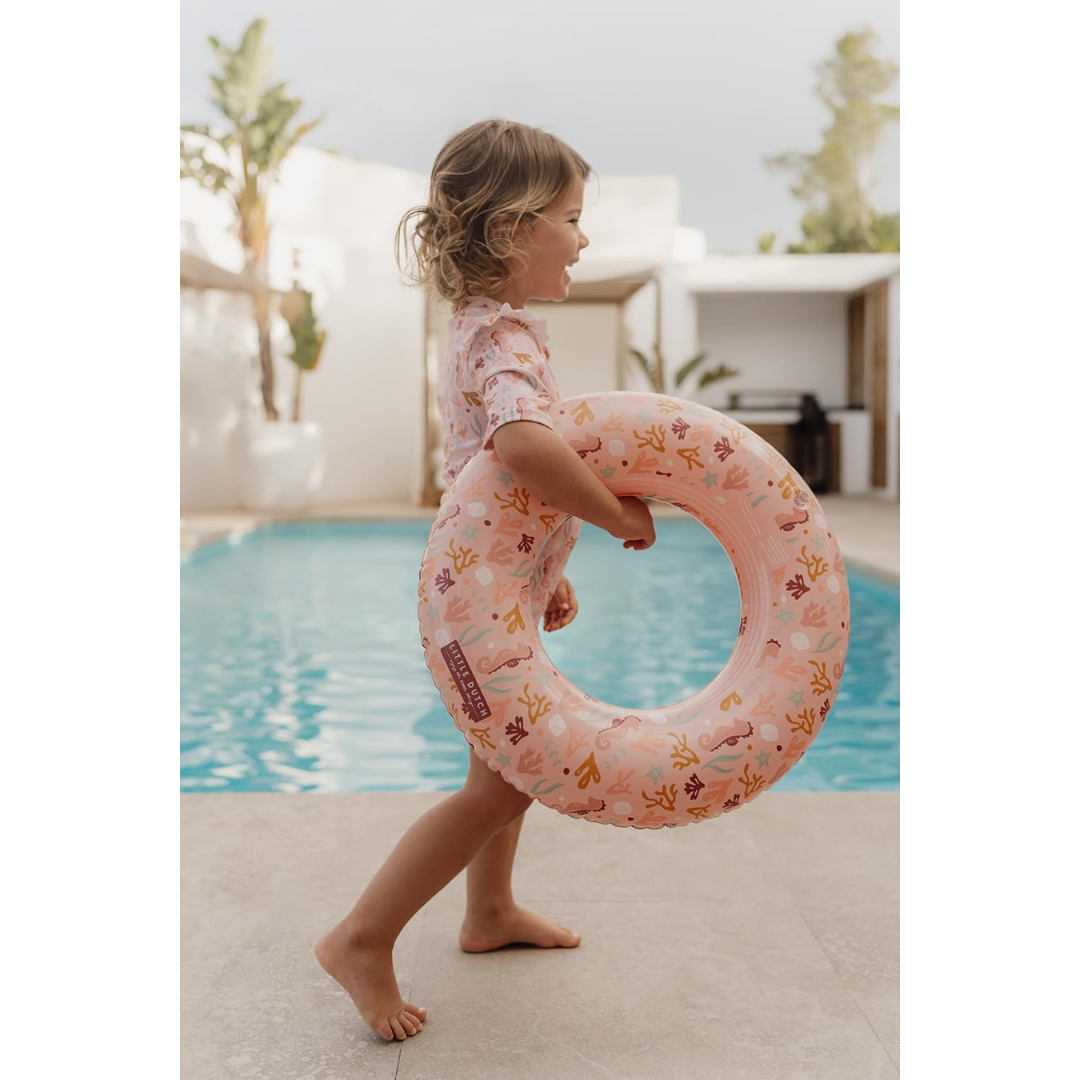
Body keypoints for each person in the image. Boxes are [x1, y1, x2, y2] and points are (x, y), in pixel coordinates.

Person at [314, 118, 656, 1042]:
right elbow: (520, 444)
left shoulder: (483, 328)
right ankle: (361, 937)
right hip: (472, 607)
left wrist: (544, 571)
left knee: (498, 763)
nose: (582, 238)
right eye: (570, 217)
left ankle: (489, 912)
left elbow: (493, 481)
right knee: (504, 784)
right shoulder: (501, 337)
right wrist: (614, 515)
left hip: (492, 593)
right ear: (512, 230)